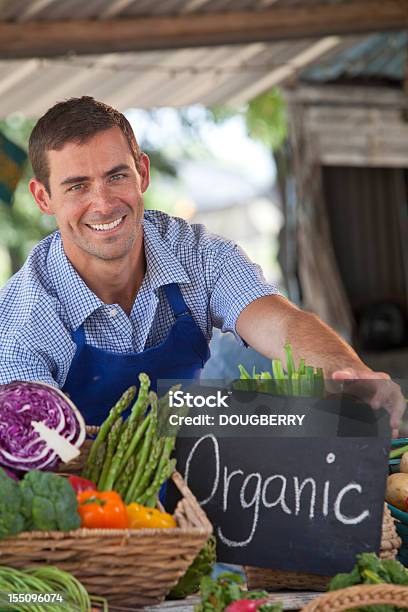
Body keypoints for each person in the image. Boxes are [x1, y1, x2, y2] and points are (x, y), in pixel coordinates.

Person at [0, 97, 405, 432]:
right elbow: (37, 446)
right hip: (89, 504)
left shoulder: (197, 254)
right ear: (43, 198)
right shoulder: (24, 320)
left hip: (201, 475)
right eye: (77, 186)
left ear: (142, 173)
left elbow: (282, 323)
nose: (103, 203)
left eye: (116, 176)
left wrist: (348, 373)